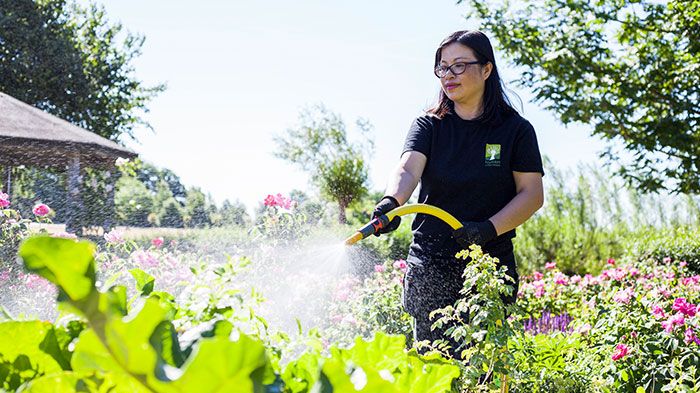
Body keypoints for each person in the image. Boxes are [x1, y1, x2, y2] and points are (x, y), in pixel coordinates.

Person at [372, 30, 545, 357]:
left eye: (459, 66)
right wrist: (391, 202)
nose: (448, 75)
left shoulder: (515, 130)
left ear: (486, 69)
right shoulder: (429, 126)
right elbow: (408, 169)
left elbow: (531, 194)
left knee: (484, 367)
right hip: (431, 261)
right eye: (442, 67)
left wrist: (488, 229)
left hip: (488, 264)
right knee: (432, 365)